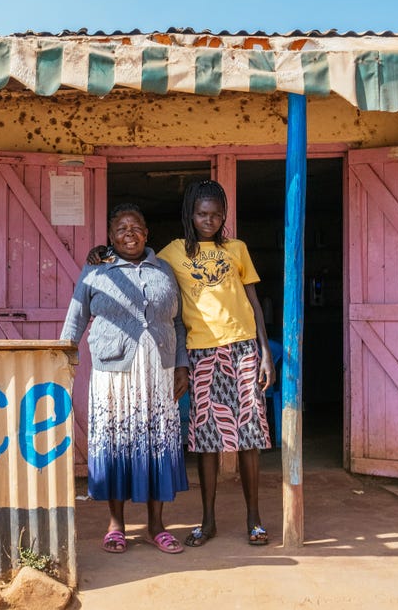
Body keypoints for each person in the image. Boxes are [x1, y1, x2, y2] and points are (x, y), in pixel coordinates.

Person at [88, 180, 275, 547]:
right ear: (190, 214)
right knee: (206, 440)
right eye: (203, 213)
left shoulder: (237, 249)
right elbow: (134, 260)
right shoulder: (172, 253)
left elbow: (253, 301)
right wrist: (101, 251)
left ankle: (254, 519)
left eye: (217, 214)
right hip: (201, 351)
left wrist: (265, 351)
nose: (210, 220)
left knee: (249, 438)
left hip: (243, 348)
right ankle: (208, 521)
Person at [61, 203, 190, 554]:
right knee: (115, 445)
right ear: (110, 236)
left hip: (159, 372)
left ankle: (156, 527)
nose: (129, 233)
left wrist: (182, 366)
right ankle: (116, 526)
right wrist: (61, 360)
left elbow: (177, 322)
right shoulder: (96, 271)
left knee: (156, 444)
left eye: (136, 227)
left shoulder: (164, 270)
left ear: (147, 234)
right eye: (121, 228)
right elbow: (75, 318)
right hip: (113, 374)